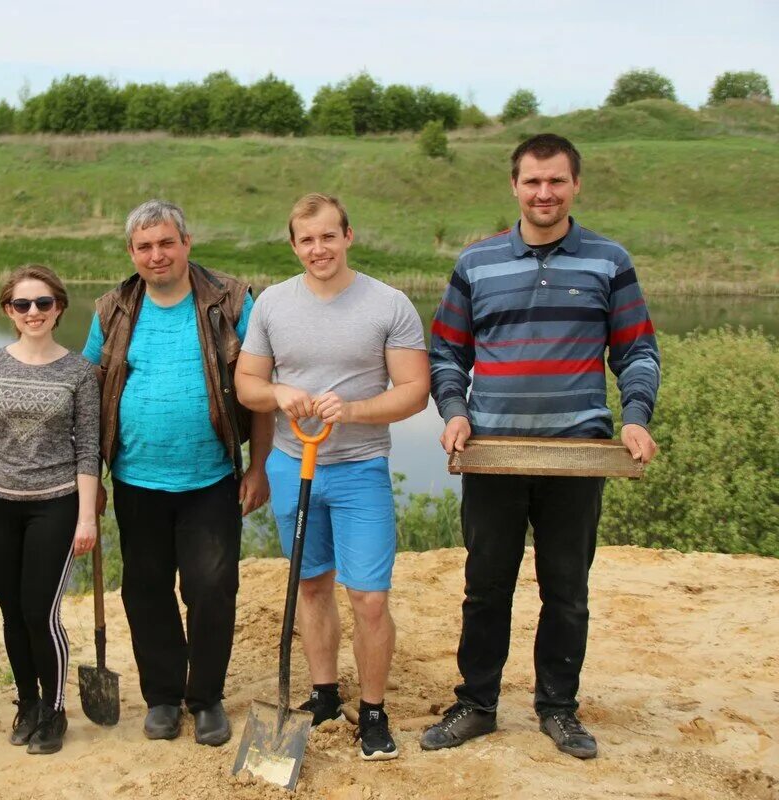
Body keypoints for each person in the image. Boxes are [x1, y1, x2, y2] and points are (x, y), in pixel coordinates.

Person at [422, 133, 660, 760]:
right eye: (533, 181)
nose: (544, 192)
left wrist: (635, 416)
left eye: (556, 181)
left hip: (577, 456)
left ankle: (558, 709)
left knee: (566, 590)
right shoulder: (477, 264)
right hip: (493, 452)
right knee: (485, 587)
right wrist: (453, 412)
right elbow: (446, 351)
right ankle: (476, 705)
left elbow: (636, 350)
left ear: (575, 185)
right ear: (515, 186)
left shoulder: (609, 261)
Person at [236, 193, 429, 761]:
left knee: (368, 598)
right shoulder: (272, 304)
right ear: (294, 245)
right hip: (292, 467)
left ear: (348, 236)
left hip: (359, 469)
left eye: (328, 236)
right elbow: (248, 384)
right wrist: (278, 393)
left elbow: (414, 391)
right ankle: (323, 694)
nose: (318, 249)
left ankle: (371, 711)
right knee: (312, 585)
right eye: (306, 240)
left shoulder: (389, 304)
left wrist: (356, 408)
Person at [82, 199, 272, 747]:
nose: (156, 254)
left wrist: (259, 467)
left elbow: (261, 391)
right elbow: (91, 395)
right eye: (144, 246)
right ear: (131, 253)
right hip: (135, 480)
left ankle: (206, 697)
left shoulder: (233, 301)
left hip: (211, 478)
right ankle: (163, 697)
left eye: (166, 243)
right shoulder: (112, 309)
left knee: (211, 588)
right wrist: (91, 481)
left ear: (187, 243)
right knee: (145, 590)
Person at [0, 265, 100, 755]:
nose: (33, 312)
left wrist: (86, 517)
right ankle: (28, 703)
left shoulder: (79, 371)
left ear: (59, 307)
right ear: (8, 311)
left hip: (56, 505)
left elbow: (88, 450)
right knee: (12, 613)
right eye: (23, 304)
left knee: (41, 613)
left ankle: (56, 710)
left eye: (43, 303)